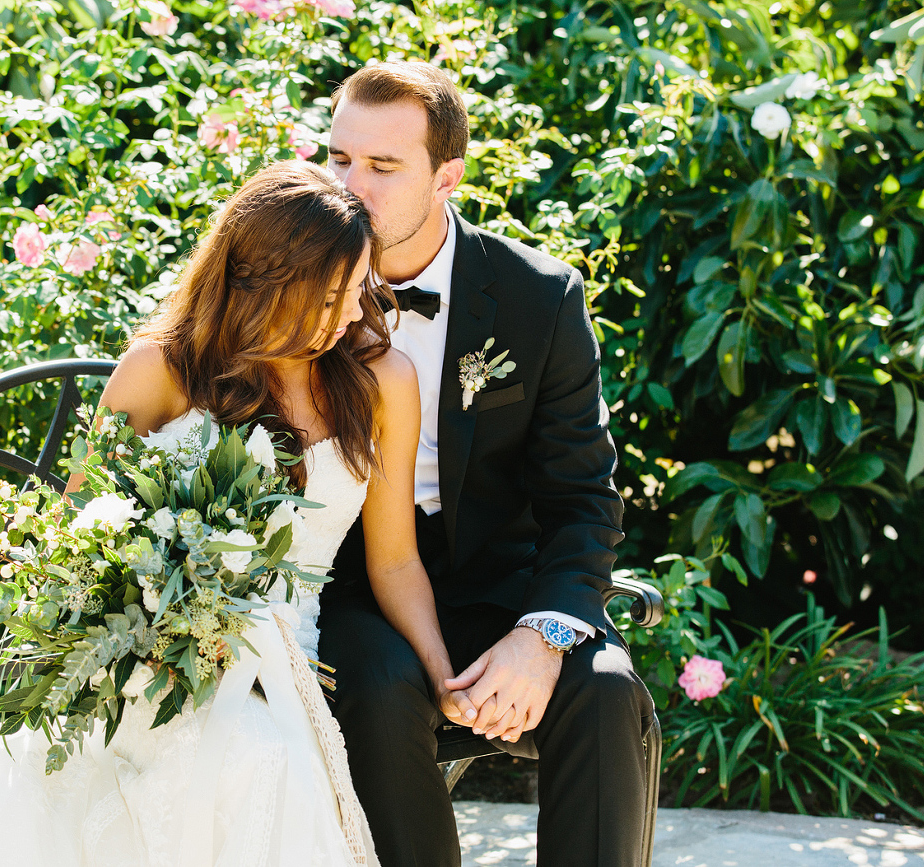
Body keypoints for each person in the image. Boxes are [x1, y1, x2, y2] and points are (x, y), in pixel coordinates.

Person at [0, 160, 473, 867]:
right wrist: (146, 618)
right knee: (232, 763)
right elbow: (74, 537)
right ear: (256, 282)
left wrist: (441, 672)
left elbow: (393, 558)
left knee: (257, 758)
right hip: (150, 658)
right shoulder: (162, 368)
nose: (343, 318)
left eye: (353, 291)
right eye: (324, 298)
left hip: (284, 661)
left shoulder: (381, 381)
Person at [318, 61, 655, 867]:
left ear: (447, 175)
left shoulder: (536, 297)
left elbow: (581, 498)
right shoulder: (295, 280)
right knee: (377, 683)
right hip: (354, 587)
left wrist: (540, 636)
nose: (350, 186)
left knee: (608, 696)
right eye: (338, 159)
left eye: (383, 166)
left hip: (506, 586)